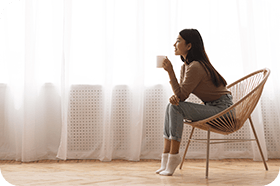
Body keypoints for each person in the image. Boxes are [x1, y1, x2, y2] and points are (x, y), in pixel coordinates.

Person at [156, 29, 233, 176]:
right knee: (171, 106)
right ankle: (166, 160)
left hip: (224, 111)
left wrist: (170, 72)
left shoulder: (196, 66)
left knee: (175, 108)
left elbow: (182, 96)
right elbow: (180, 96)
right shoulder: (187, 66)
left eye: (178, 41)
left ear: (189, 46)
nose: (174, 44)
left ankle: (173, 157)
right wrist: (175, 97)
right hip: (212, 107)